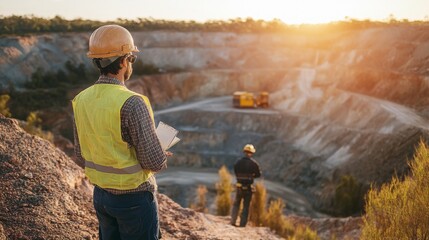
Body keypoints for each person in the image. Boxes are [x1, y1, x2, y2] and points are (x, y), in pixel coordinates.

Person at [72, 24, 170, 240]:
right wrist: (160, 151)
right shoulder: (132, 103)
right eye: (131, 58)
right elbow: (154, 163)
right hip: (134, 199)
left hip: (101, 197)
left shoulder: (81, 100)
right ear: (125, 61)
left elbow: (81, 156)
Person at [230, 144, 261, 227]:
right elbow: (258, 175)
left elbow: (235, 172)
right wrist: (251, 176)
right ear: (251, 153)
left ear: (244, 152)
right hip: (248, 188)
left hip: (239, 187)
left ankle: (233, 221)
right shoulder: (254, 164)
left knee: (236, 204)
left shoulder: (238, 162)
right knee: (246, 206)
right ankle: (242, 224)